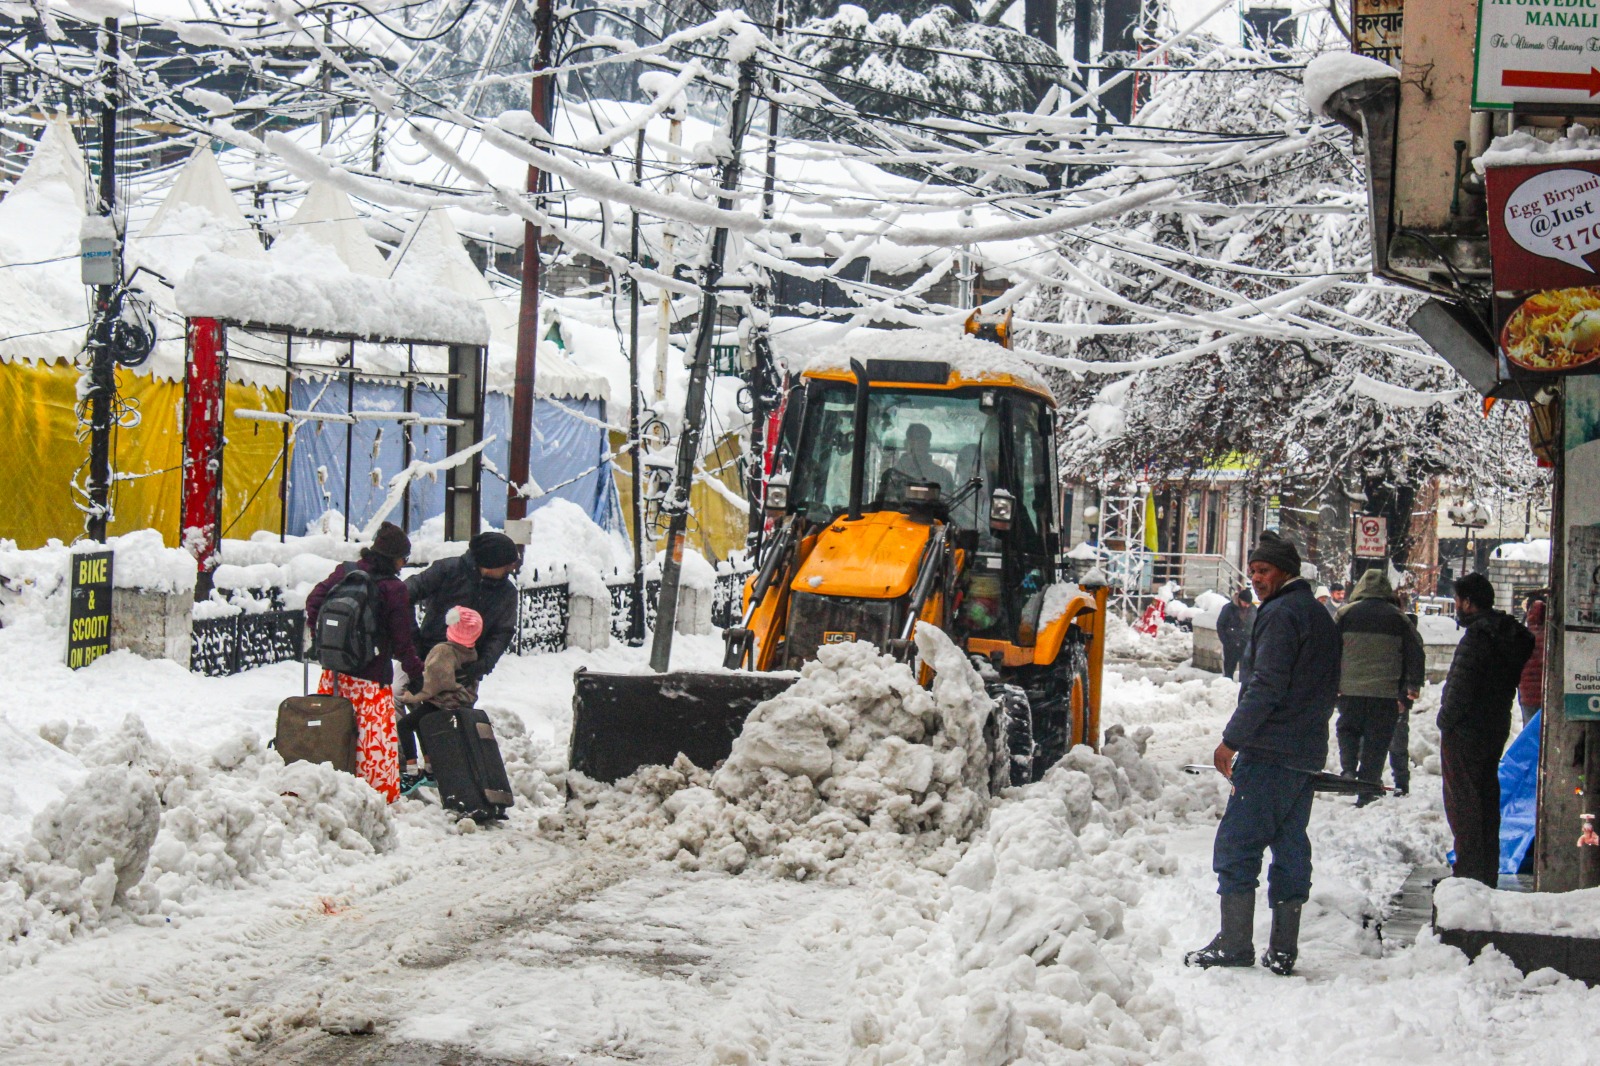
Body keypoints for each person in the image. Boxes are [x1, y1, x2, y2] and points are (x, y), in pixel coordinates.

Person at [1187, 531, 1340, 976]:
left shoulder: (1280, 615)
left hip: (1270, 750)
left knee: (1237, 846)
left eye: (1264, 570)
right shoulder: (1319, 615)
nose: (1256, 578)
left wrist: (1231, 740)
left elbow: (1267, 685)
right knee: (1291, 845)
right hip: (1306, 752)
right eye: (1252, 571)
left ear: (1285, 571)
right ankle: (1283, 949)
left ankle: (1235, 944)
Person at [305, 522, 424, 803]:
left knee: (334, 731)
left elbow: (314, 601)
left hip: (335, 674)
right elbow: (402, 640)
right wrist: (415, 673)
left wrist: (325, 640)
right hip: (371, 679)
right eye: (403, 559)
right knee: (372, 745)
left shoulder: (345, 572)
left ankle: (330, 786)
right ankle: (373, 797)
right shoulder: (393, 588)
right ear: (394, 558)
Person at [1438, 572, 1535, 886]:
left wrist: (1445, 720)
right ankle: (1485, 871)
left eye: (1457, 600)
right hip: (1494, 728)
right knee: (1485, 800)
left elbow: (1462, 688)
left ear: (1467, 602)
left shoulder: (1479, 636)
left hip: (1465, 732)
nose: (1456, 606)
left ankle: (1468, 875)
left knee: (1464, 804)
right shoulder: (1508, 636)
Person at [1333, 569, 1424, 806]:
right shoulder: (1398, 618)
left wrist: (1331, 683)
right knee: (1377, 739)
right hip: (1385, 694)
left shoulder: (1344, 615)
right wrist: (1410, 689)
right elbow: (1415, 653)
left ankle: (1349, 770)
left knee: (1348, 729)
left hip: (1349, 690)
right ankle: (1368, 786)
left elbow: (1328, 649)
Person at [406, 531, 519, 688]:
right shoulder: (447, 570)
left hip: (465, 666)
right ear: (490, 563)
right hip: (424, 654)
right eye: (506, 566)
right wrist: (415, 644)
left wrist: (482, 665)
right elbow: (404, 594)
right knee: (398, 694)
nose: (510, 570)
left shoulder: (506, 593)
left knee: (451, 709)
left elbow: (502, 632)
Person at [396, 606, 483, 789]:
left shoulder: (444, 651)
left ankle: (412, 772)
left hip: (443, 702)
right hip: (461, 703)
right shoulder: (472, 652)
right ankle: (430, 768)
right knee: (421, 722)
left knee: (405, 724)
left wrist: (412, 697)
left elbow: (434, 683)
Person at [892, 423, 954, 494]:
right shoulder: (893, 475)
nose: (918, 443)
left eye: (922, 438)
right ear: (906, 443)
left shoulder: (943, 476)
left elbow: (949, 503)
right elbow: (884, 503)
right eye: (914, 438)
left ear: (928, 445)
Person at [1216, 587, 1256, 681]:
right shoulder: (1229, 608)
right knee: (1228, 671)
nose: (1247, 605)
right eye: (1245, 603)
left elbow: (1256, 625)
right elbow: (1220, 625)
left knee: (1245, 673)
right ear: (1239, 600)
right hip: (1231, 644)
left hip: (1246, 645)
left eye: (1248, 603)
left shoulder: (1253, 609)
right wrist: (1226, 641)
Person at [1519, 595, 1547, 727]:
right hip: (1546, 695)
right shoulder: (1551, 638)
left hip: (1527, 696)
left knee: (1529, 731)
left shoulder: (1523, 636)